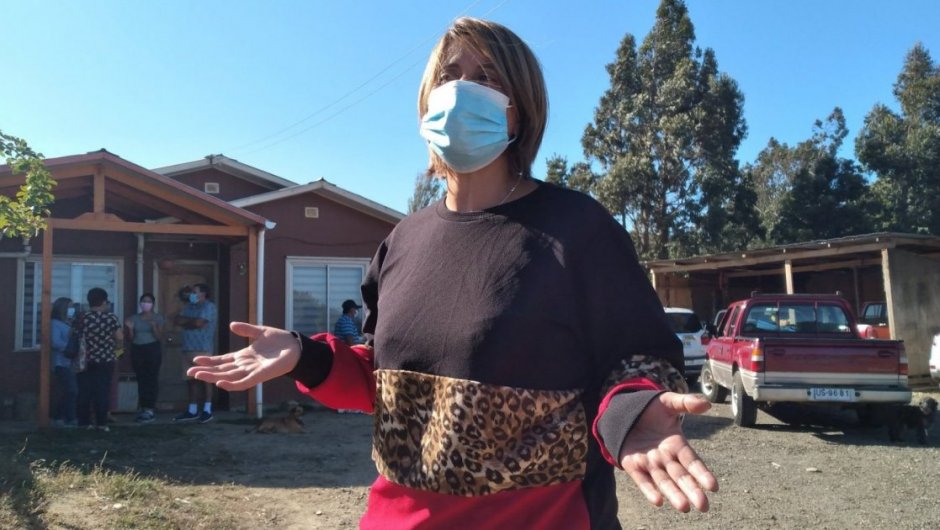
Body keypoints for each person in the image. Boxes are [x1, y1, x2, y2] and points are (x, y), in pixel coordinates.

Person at [189, 17, 717, 529]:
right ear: (426, 102)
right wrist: (304, 355)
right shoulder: (403, 240)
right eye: (449, 75)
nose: (462, 88)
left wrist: (632, 413)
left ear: (520, 111)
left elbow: (637, 357)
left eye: (487, 76)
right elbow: (381, 381)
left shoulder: (578, 229)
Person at [76, 287, 122, 431]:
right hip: (106, 359)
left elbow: (75, 336)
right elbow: (120, 338)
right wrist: (117, 352)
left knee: (85, 391)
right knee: (102, 391)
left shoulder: (83, 318)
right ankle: (102, 423)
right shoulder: (111, 318)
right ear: (104, 301)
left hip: (85, 360)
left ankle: (84, 422)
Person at [174, 283, 217, 423]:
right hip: (187, 348)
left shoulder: (208, 307)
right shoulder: (188, 307)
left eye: (194, 292)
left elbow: (200, 323)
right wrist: (192, 322)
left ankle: (207, 410)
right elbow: (177, 320)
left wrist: (188, 323)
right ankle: (192, 410)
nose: (191, 294)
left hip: (203, 348)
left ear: (203, 293)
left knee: (205, 379)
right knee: (190, 380)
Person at [125, 292, 165, 424]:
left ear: (153, 304)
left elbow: (160, 337)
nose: (145, 304)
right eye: (143, 301)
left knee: (151, 378)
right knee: (141, 378)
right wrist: (130, 329)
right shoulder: (134, 318)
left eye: (148, 301)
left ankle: (150, 409)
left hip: (152, 348)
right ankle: (143, 408)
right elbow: (130, 339)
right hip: (137, 349)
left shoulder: (157, 318)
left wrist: (154, 327)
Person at [50, 297, 78, 428]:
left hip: (72, 362)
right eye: (70, 307)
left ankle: (68, 417)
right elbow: (55, 342)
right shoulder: (55, 323)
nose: (72, 310)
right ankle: (61, 417)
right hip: (61, 362)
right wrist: (69, 346)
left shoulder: (70, 323)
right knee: (71, 390)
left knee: (71, 390)